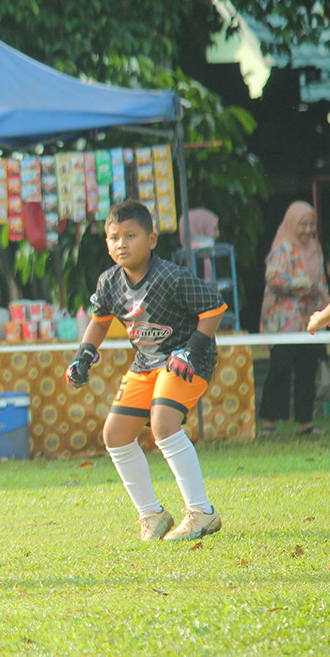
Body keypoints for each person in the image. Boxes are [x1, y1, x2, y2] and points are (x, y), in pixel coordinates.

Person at [66, 199, 226, 542]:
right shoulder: (108, 282)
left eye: (131, 235)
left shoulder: (170, 276)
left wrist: (191, 350)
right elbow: (99, 322)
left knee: (163, 424)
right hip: (146, 363)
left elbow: (214, 307)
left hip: (186, 358)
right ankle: (152, 514)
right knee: (115, 434)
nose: (121, 243)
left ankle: (202, 513)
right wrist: (83, 356)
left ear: (152, 239)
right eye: (113, 237)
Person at [258, 201, 330, 437]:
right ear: (292, 223)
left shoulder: (315, 248)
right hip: (284, 323)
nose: (308, 230)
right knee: (280, 367)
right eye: (303, 225)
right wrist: (299, 285)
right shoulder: (283, 248)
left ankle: (304, 422)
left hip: (310, 321)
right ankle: (268, 422)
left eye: (312, 225)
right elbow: (273, 278)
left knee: (307, 367)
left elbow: (320, 281)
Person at [178, 207, 221, 281]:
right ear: (199, 227)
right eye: (214, 229)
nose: (218, 234)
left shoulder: (182, 263)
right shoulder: (204, 261)